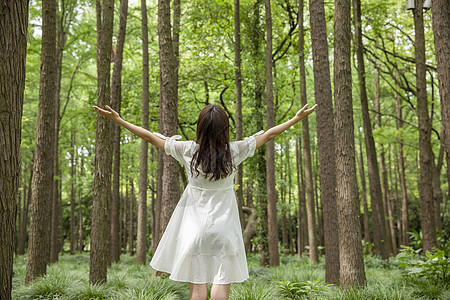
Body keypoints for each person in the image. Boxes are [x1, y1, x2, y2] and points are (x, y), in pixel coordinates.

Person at [93, 103, 316, 300]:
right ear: (225, 129)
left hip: (194, 232)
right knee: (221, 286)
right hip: (225, 231)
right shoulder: (234, 151)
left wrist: (119, 120)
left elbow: (150, 137)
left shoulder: (189, 151)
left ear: (200, 127)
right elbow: (268, 135)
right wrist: (295, 119)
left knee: (197, 291)